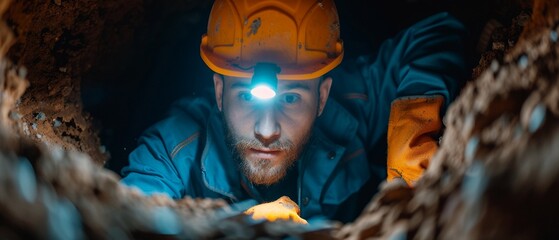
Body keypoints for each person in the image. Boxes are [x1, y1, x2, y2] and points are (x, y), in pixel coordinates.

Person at [121, 0, 467, 223]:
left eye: (290, 99)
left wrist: (413, 134)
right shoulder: (171, 150)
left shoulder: (352, 106)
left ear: (322, 97)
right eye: (246, 96)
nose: (267, 129)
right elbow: (125, 220)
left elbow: (437, 35)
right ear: (219, 91)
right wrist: (236, 228)